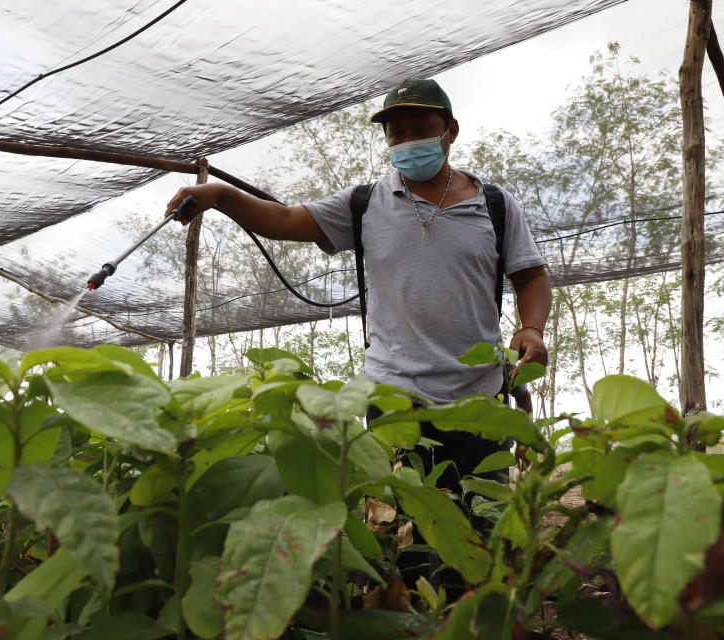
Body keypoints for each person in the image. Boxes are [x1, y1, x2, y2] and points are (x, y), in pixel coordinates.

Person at [166, 77, 550, 490]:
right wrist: (222, 196)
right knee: (406, 531)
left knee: (481, 520)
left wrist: (531, 329)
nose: (407, 141)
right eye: (396, 134)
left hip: (480, 395)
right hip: (395, 398)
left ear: (450, 131)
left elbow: (529, 276)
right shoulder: (364, 205)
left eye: (421, 129)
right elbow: (283, 219)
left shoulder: (492, 204)